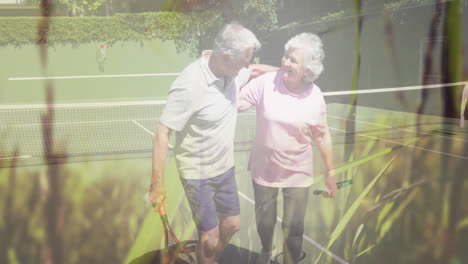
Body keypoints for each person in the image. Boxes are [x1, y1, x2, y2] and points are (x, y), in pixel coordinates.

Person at [149, 23, 277, 264]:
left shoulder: (234, 69)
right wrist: (157, 185)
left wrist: (287, 74)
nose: (246, 67)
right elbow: (162, 133)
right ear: (226, 56)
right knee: (209, 237)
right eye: (243, 61)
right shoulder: (189, 85)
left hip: (224, 168)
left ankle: (209, 259)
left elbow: (257, 70)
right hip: (198, 174)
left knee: (232, 224)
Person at [238, 32, 337, 264]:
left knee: (294, 226)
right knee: (265, 221)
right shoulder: (266, 83)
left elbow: (322, 136)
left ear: (308, 70)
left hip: (297, 172)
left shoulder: (315, 97)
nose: (285, 62)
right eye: (285, 57)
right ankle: (266, 250)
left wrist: (331, 172)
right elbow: (238, 103)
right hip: (264, 169)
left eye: (293, 60)